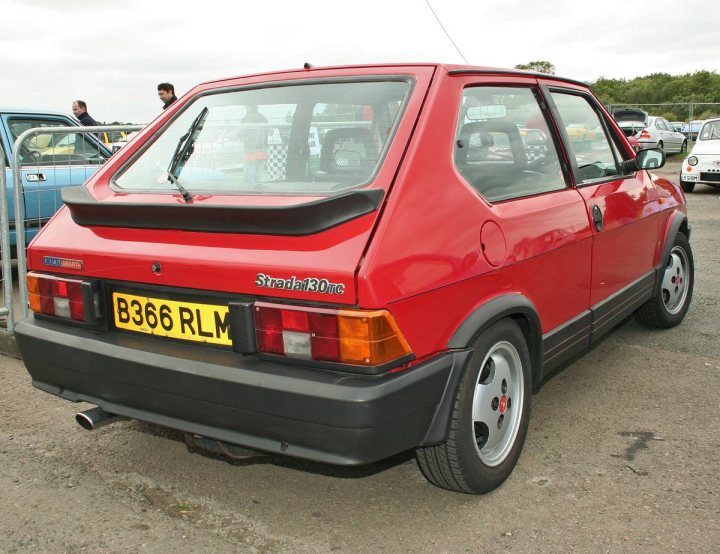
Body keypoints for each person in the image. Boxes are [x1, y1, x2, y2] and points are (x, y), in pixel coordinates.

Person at [241, 104, 268, 184]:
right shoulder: (263, 118)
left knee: (249, 177)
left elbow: (240, 133)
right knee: (259, 176)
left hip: (250, 151)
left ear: (248, 106)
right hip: (261, 151)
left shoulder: (246, 119)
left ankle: (250, 194)